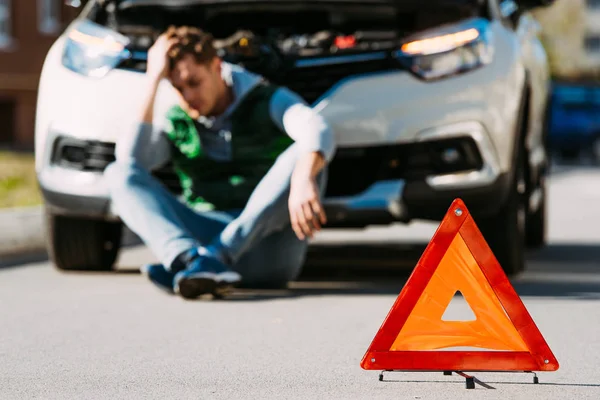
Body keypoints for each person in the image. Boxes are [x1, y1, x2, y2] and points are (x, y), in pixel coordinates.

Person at [104, 26, 336, 299]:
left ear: (216, 66)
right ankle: (186, 260)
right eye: (178, 88)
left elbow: (317, 127)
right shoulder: (178, 118)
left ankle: (212, 259)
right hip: (203, 236)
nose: (188, 96)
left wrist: (303, 177)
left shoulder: (264, 98)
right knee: (117, 173)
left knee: (305, 153)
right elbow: (130, 163)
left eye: (194, 83)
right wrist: (152, 79)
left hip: (264, 252)